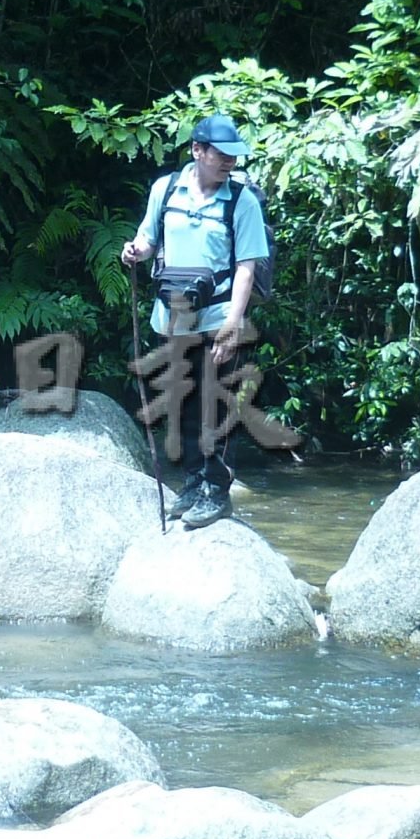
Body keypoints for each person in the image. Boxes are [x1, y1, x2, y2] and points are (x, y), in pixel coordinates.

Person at [119, 113, 272, 529]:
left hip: (219, 316)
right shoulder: (166, 190)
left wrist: (233, 324)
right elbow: (150, 239)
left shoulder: (243, 201)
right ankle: (192, 482)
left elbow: (246, 267)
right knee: (184, 403)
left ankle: (217, 492)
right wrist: (135, 250)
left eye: (233, 157)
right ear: (197, 151)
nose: (229, 163)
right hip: (172, 318)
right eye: (221, 155)